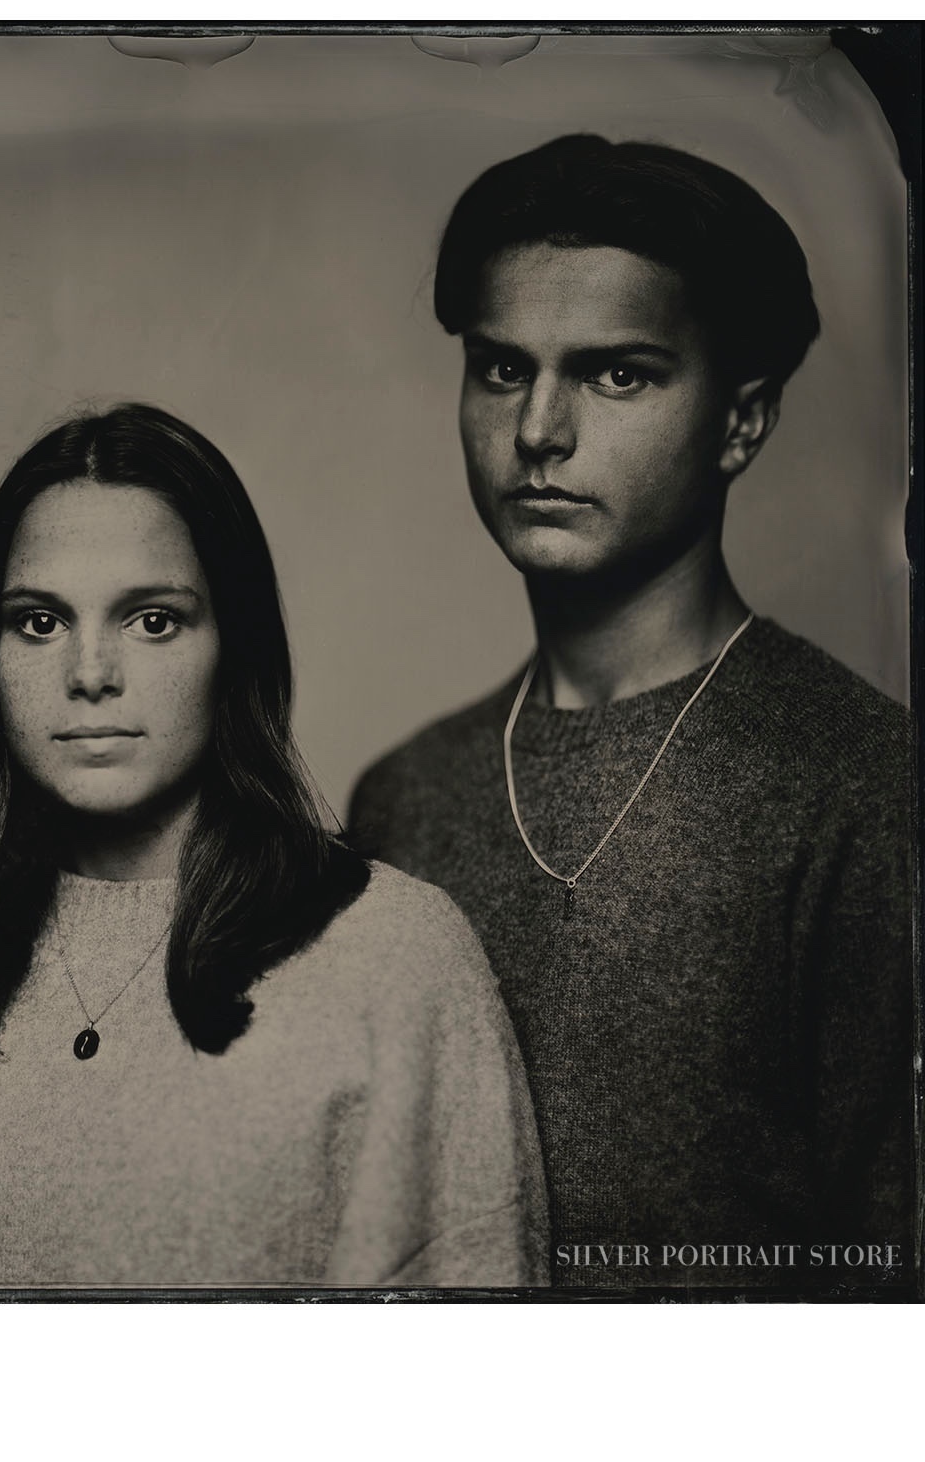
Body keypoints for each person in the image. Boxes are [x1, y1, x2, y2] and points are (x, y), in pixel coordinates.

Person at [348, 135, 914, 1292]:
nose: (539, 431)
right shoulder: (404, 797)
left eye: (617, 375)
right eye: (502, 368)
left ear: (740, 422)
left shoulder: (863, 782)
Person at [0, 403, 546, 1288]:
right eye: (39, 622)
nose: (89, 675)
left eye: (152, 620)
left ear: (237, 648)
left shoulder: (399, 956)